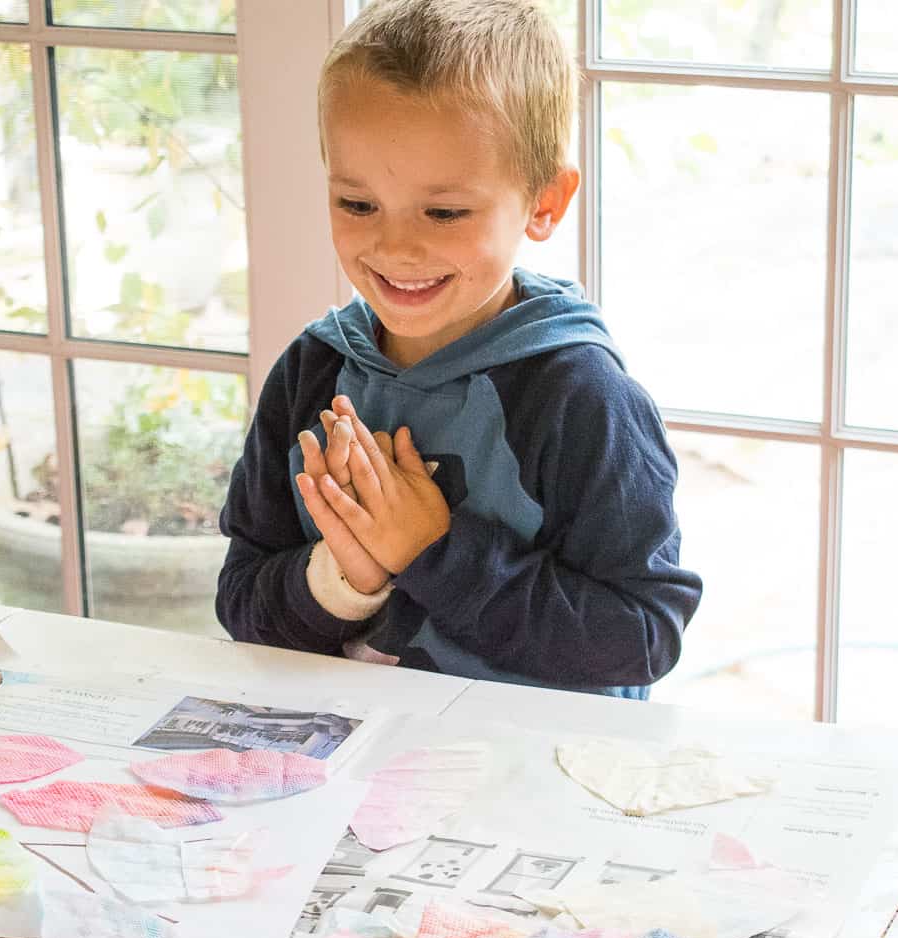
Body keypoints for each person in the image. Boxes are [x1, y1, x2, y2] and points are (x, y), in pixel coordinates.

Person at [215, 0, 702, 699]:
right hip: (342, 767)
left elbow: (643, 634)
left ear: (545, 202)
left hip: (525, 779)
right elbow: (242, 601)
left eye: (443, 212)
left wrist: (433, 551)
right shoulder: (311, 370)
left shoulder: (581, 398)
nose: (394, 247)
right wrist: (343, 577)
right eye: (356, 204)